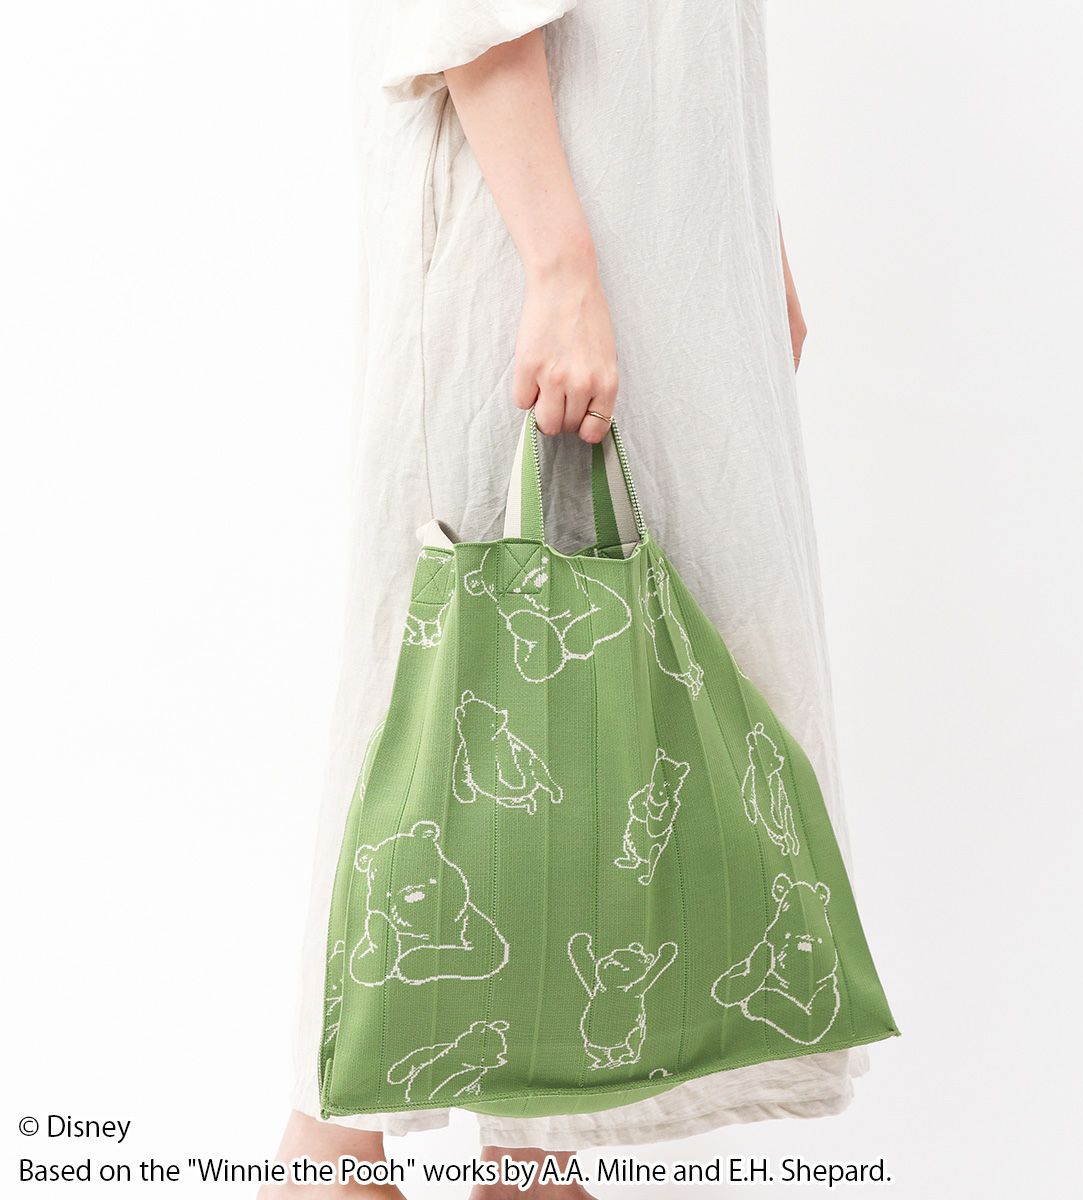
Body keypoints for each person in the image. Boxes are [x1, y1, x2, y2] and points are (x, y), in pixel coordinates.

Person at [264, 3, 867, 1197]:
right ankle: (333, 1156)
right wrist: (557, 265)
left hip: (647, 242)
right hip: (535, 237)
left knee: (588, 697)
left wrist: (749, 235)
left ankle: (530, 1156)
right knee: (454, 687)